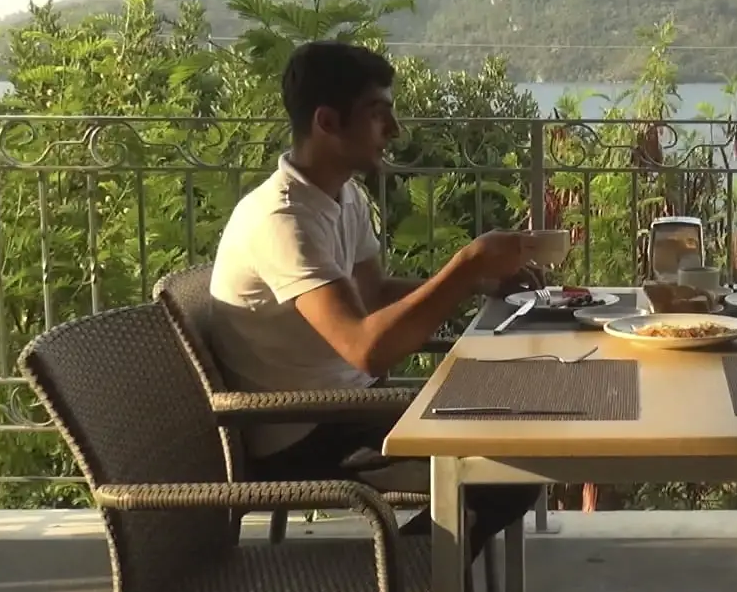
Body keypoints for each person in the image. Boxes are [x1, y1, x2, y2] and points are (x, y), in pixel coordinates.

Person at [208, 39, 545, 557]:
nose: (395, 130)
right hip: (302, 438)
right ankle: (393, 589)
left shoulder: (344, 196)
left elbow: (371, 294)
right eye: (377, 113)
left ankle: (410, 583)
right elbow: (367, 348)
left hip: (353, 410)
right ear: (327, 122)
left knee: (522, 432)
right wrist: (466, 265)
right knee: (508, 471)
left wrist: (481, 283)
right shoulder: (282, 220)